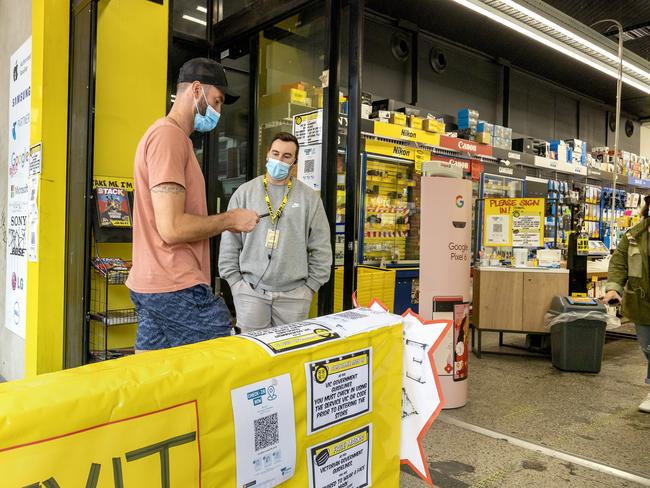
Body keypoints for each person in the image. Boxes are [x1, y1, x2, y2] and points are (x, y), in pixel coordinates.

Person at [126, 58, 259, 351]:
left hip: (154, 284)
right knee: (225, 359)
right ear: (196, 90)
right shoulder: (168, 136)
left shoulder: (175, 139)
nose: (218, 111)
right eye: (217, 101)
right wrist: (231, 219)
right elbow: (172, 227)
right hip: (176, 285)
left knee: (158, 383)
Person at [219, 132, 332, 333]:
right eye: (275, 153)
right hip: (250, 292)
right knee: (253, 357)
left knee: (289, 357)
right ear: (267, 155)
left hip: (295, 297)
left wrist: (310, 288)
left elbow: (321, 246)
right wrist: (236, 284)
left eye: (286, 156)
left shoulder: (309, 198)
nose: (279, 160)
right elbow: (229, 243)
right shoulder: (244, 193)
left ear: (294, 163)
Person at [604, 195, 650, 413]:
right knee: (648, 347)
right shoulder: (634, 235)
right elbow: (619, 264)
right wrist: (613, 287)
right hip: (642, 304)